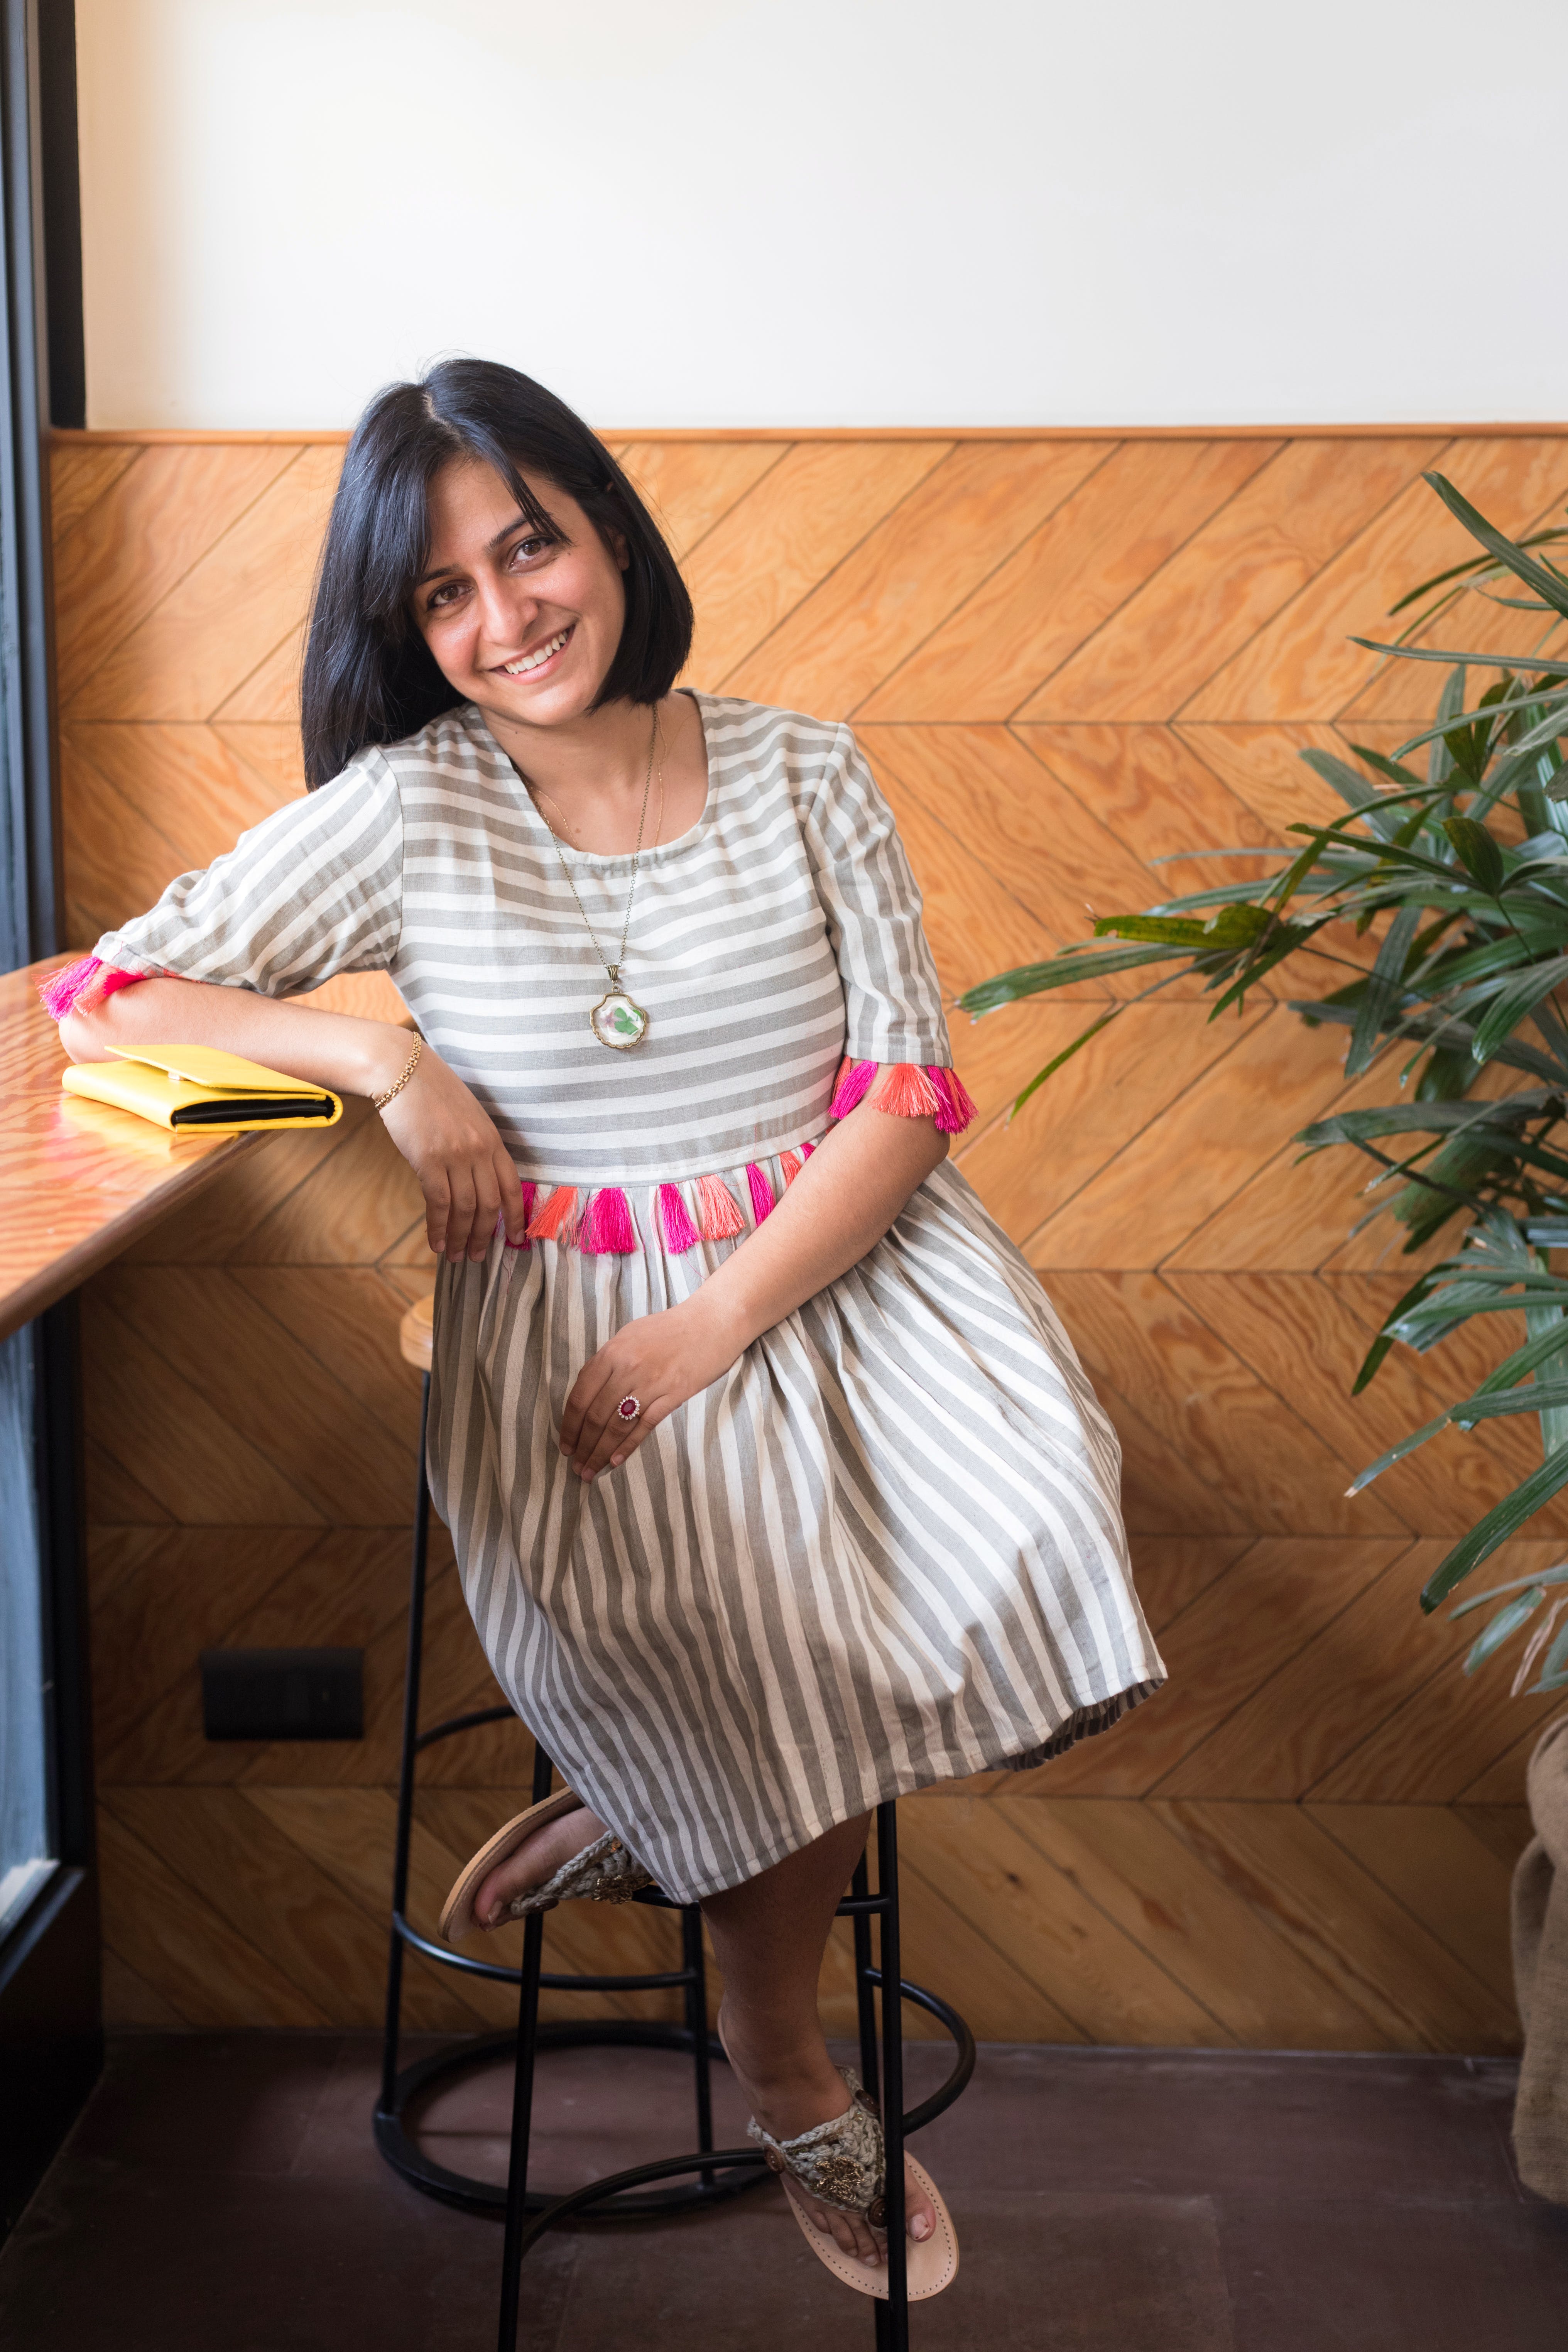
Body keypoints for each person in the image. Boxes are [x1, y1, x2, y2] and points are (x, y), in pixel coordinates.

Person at [49, 358, 1164, 2299]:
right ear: (407, 633)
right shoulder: (411, 807)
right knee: (723, 1601)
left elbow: (903, 1090)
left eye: (530, 546)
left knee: (1036, 1510)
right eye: (442, 597)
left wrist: (713, 1325)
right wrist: (377, 1062)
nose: (504, 618)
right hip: (571, 1316)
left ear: (605, 527)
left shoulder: (807, 764)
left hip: (840, 1274)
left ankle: (649, 1798)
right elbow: (111, 996)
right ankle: (790, 2069)